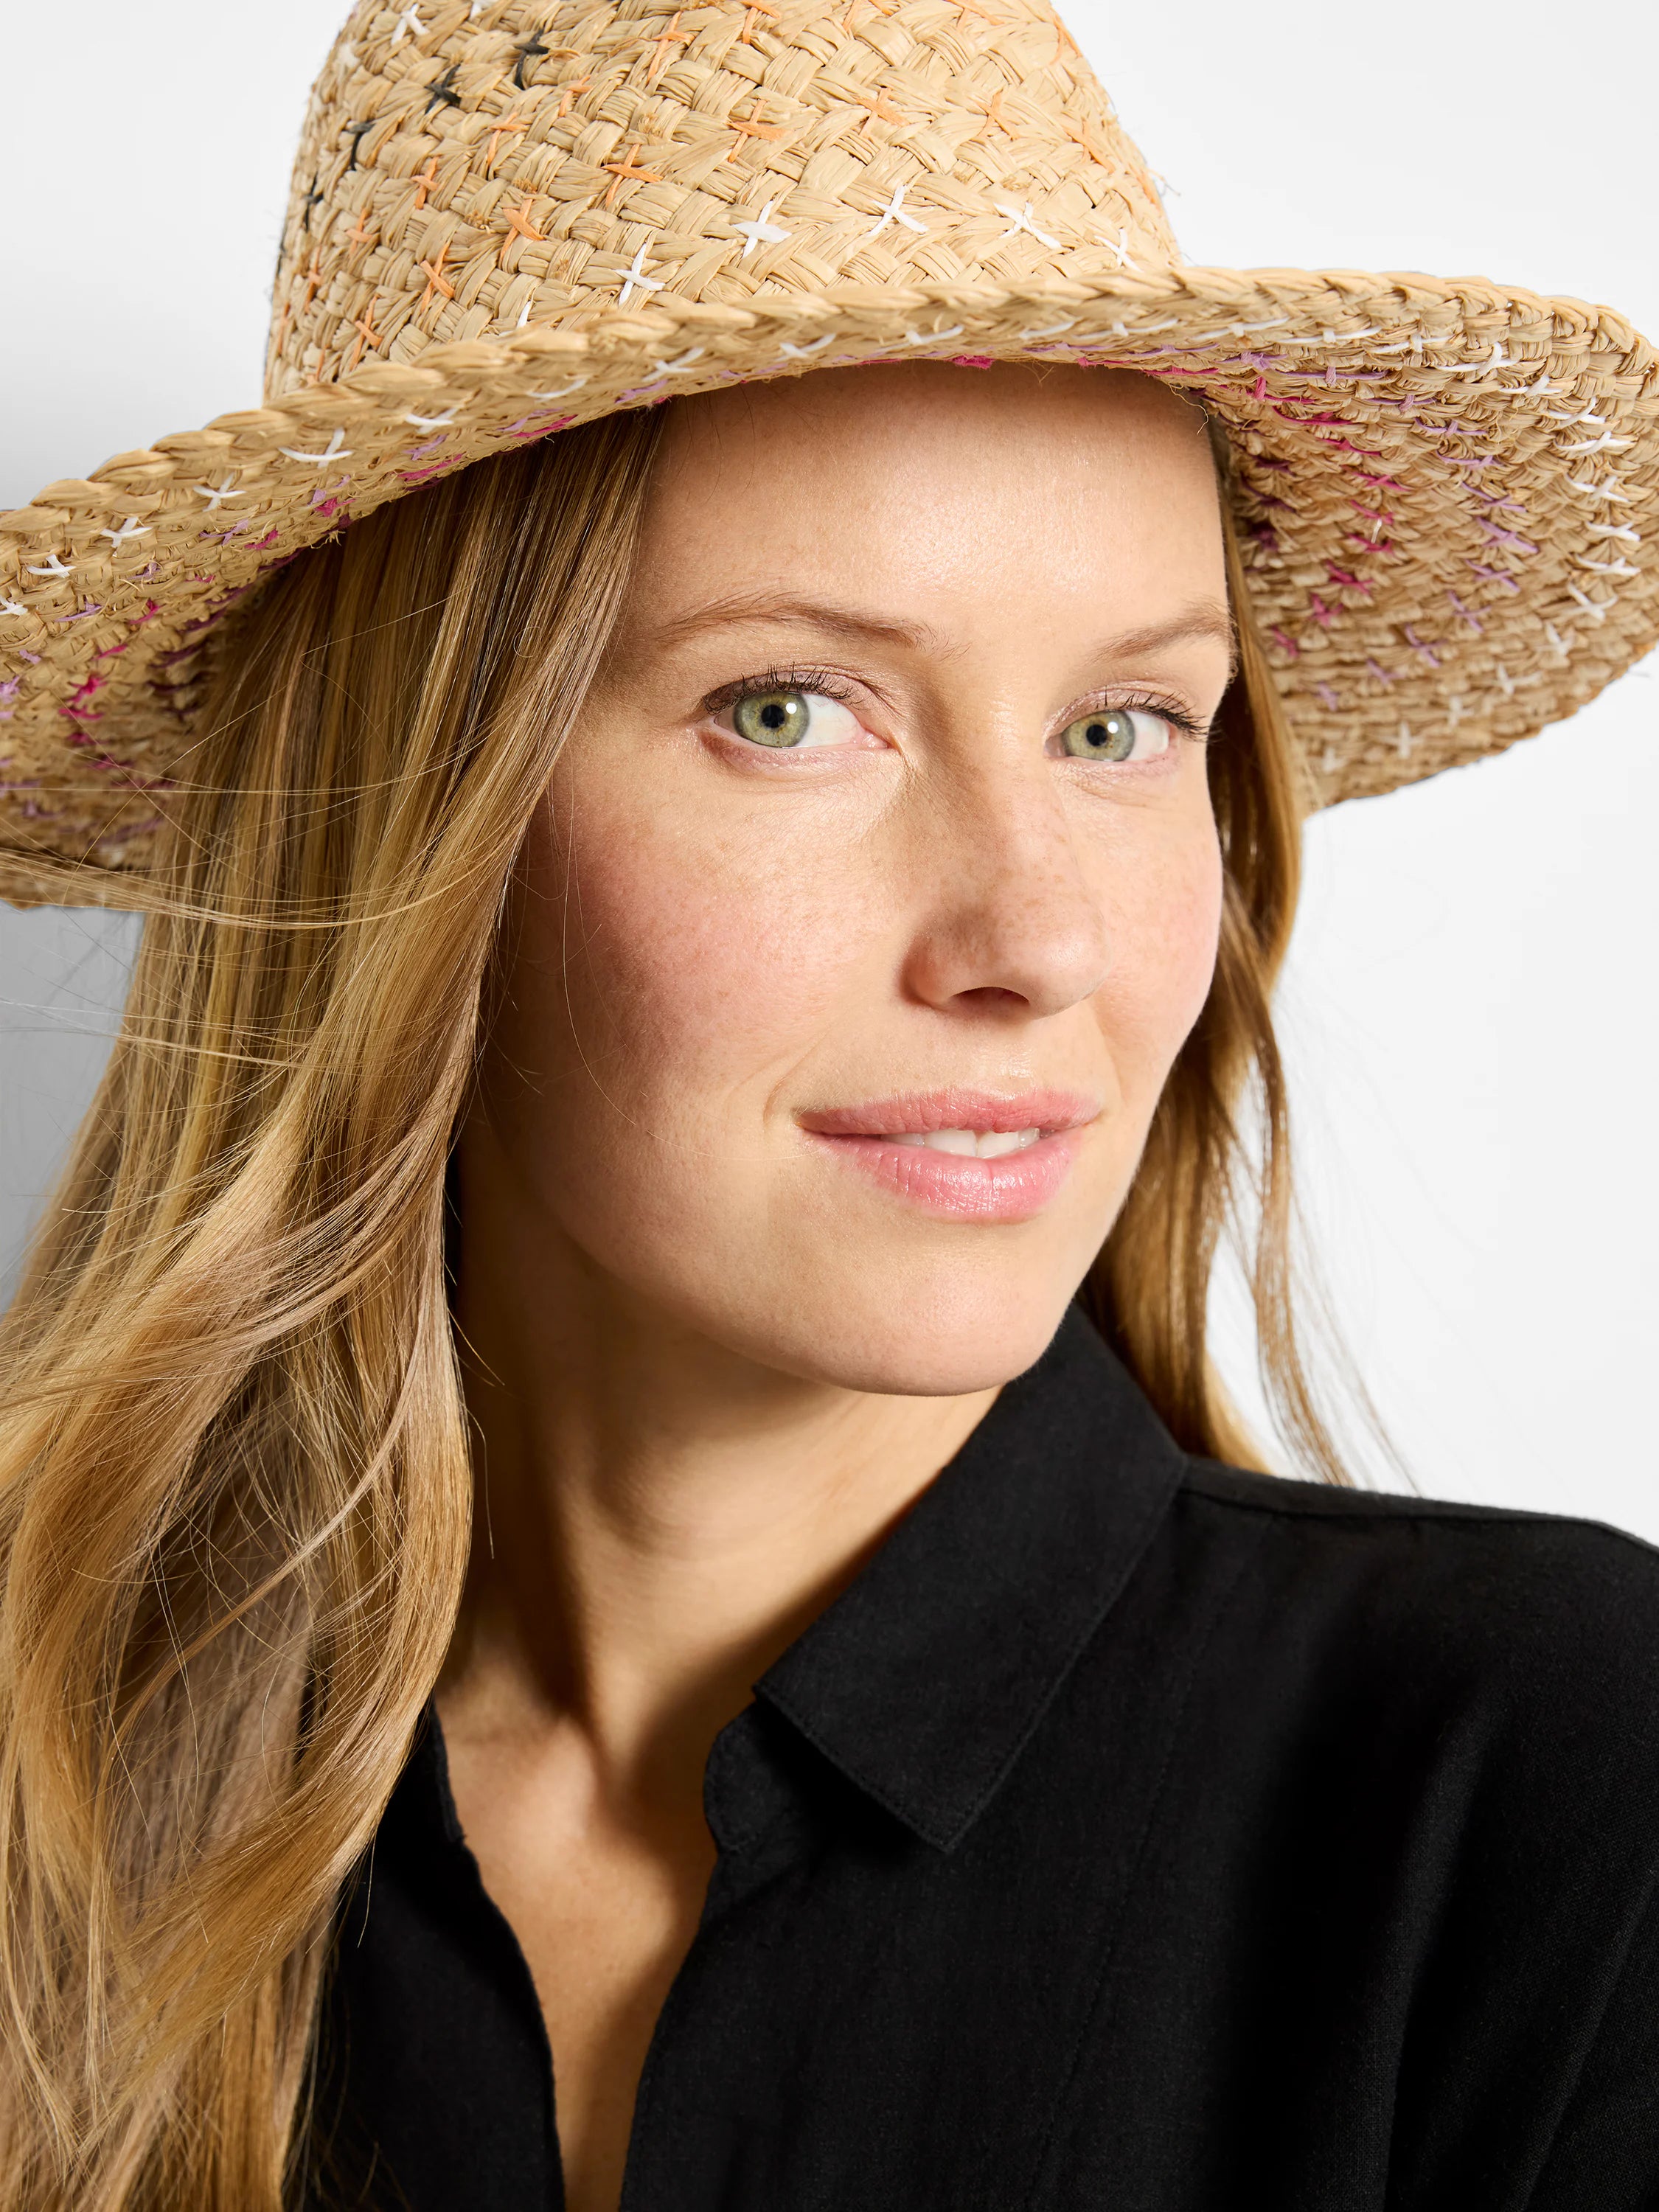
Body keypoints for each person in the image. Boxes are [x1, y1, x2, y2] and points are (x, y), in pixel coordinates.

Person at [1, 2, 1656, 2208]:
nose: (1031, 940)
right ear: (412, 836)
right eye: (792, 709)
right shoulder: (44, 1827)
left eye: (1123, 728)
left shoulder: (1552, 1792)